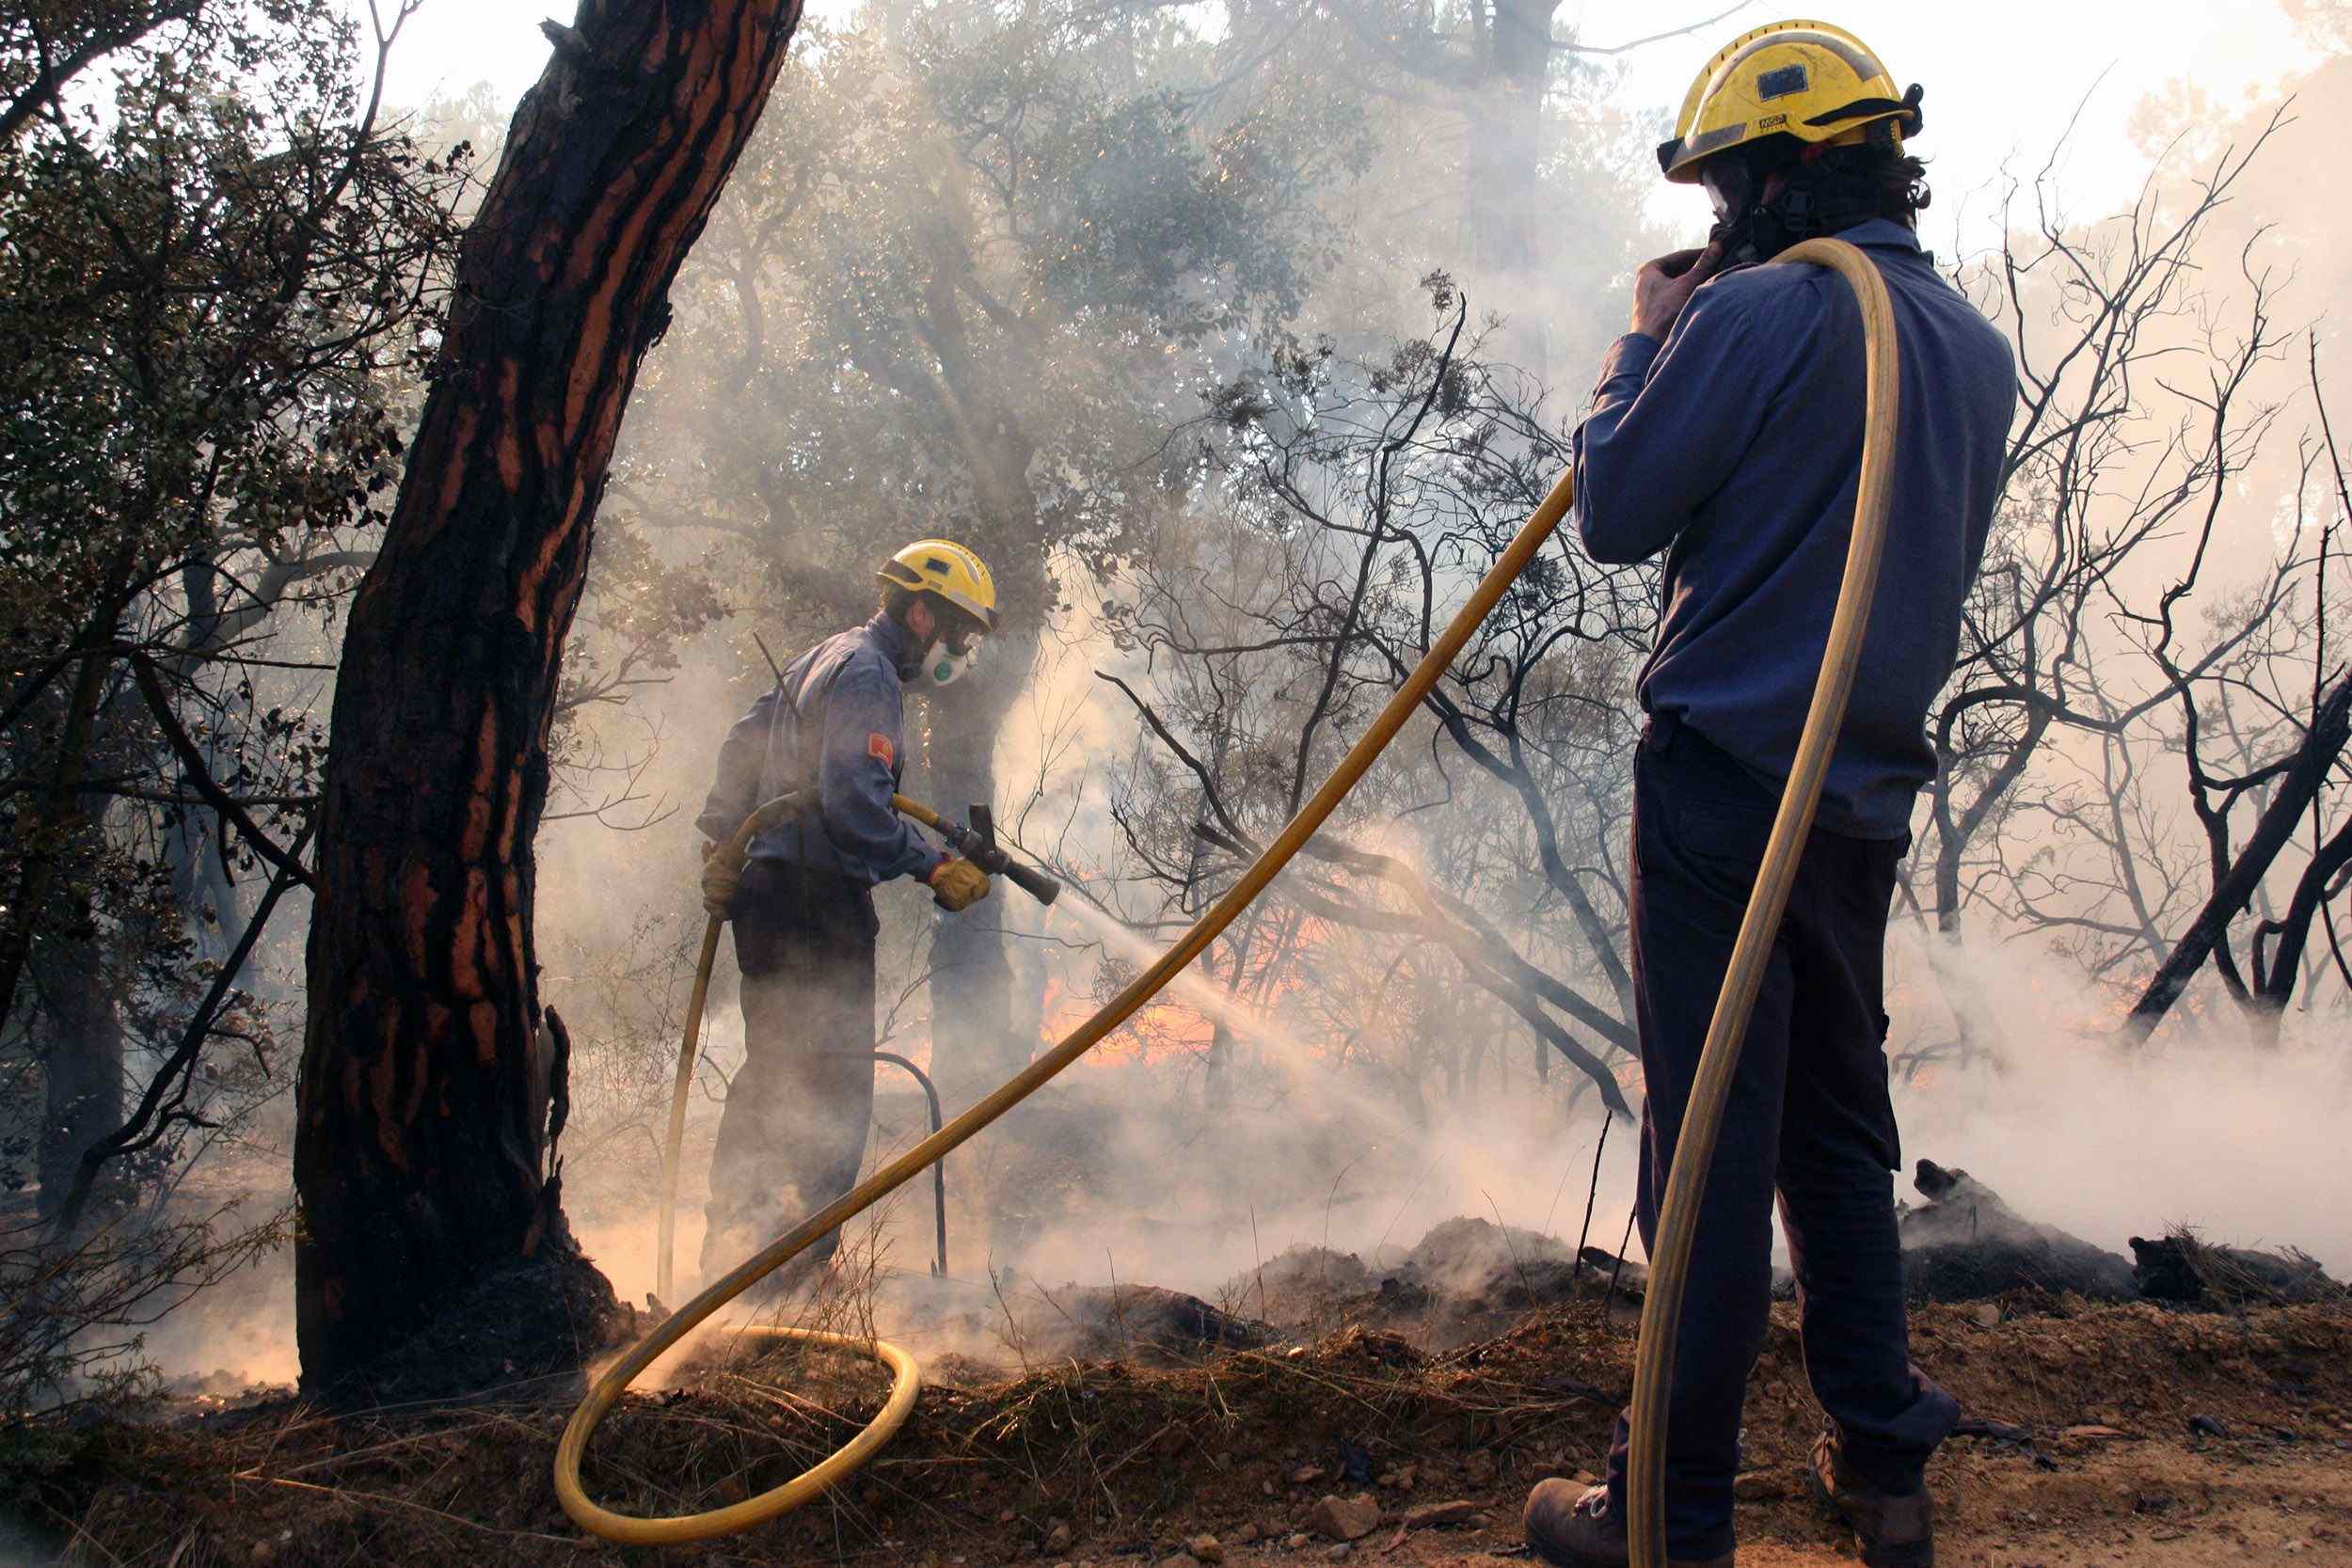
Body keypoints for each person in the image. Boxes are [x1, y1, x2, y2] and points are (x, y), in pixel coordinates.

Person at [1521, 22, 2014, 1568]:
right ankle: (1883, 1470)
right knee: (1833, 1131)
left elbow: (1614, 505)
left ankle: (1665, 1513)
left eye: (1733, 187)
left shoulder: (1761, 311)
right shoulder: (1965, 343)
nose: (1719, 222)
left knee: (1713, 1147)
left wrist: (1646, 337)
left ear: (1796, 169)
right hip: (1859, 801)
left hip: (1731, 785)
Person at [692, 540, 1002, 1291]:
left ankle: (731, 1263)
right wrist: (933, 862)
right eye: (958, 632)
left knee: (774, 1078)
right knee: (829, 1091)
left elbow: (743, 741)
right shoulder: (868, 674)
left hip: (768, 896)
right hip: (814, 904)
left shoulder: (827, 655)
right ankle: (790, 1277)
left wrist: (721, 838)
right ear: (921, 611)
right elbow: (857, 806)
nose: (959, 651)